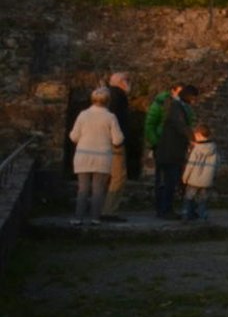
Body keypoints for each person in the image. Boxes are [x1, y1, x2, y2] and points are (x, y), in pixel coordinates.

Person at [68, 86, 124, 225]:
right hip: (102, 157)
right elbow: (117, 139)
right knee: (98, 189)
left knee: (82, 188)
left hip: (83, 155)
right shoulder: (110, 117)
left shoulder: (83, 115)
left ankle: (78, 218)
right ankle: (95, 218)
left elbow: (74, 136)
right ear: (108, 101)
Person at [151, 83, 199, 220]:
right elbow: (181, 125)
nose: (194, 102)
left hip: (169, 151)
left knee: (167, 182)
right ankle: (165, 210)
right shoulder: (176, 108)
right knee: (169, 183)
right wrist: (193, 139)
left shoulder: (176, 107)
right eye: (194, 98)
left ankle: (164, 209)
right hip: (171, 152)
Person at [100, 71, 142, 221]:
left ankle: (100, 208)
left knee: (105, 177)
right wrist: (118, 140)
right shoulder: (118, 98)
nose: (129, 85)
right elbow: (115, 121)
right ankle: (109, 211)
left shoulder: (108, 96)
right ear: (122, 83)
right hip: (115, 144)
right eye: (128, 81)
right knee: (118, 176)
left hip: (104, 143)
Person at [180, 125, 220, 221]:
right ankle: (202, 216)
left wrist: (185, 177)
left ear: (198, 135)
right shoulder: (214, 149)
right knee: (202, 200)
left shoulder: (197, 149)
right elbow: (217, 165)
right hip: (206, 180)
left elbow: (190, 165)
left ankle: (186, 215)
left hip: (193, 180)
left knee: (188, 198)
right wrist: (213, 177)